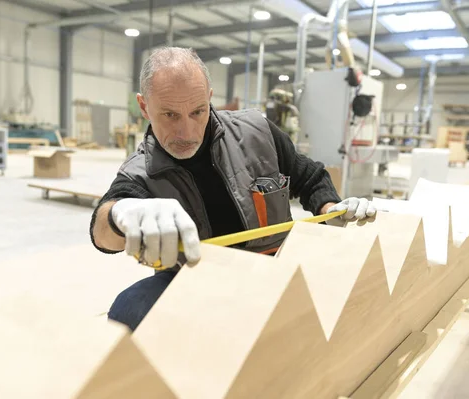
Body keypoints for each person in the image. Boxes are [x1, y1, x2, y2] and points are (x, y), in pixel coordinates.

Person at [90, 47, 376, 331]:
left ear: (210, 98)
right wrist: (120, 214)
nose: (187, 133)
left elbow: (310, 178)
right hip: (195, 283)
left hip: (272, 267)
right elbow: (102, 235)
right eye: (170, 115)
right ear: (144, 107)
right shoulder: (139, 172)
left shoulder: (257, 132)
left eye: (198, 111)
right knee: (129, 308)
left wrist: (333, 210)